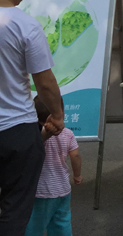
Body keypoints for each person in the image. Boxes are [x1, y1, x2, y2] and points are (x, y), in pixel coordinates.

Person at [0, 0, 65, 236]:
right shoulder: (25, 24)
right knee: (14, 208)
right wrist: (57, 115)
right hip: (16, 129)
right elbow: (45, 82)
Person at [25, 97, 81, 236]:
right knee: (61, 223)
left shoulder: (36, 135)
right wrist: (77, 175)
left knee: (34, 225)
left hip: (41, 191)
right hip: (62, 189)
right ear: (61, 113)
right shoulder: (68, 134)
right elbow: (75, 156)